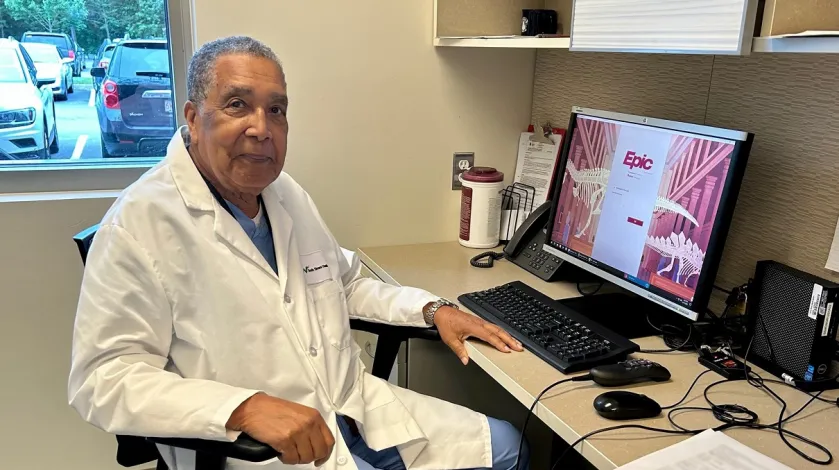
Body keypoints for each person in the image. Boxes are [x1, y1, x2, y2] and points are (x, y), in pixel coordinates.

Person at [68, 35, 530, 470]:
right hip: (263, 451)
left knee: (509, 447)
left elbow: (344, 283)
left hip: (353, 409)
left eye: (277, 110)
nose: (261, 128)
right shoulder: (138, 225)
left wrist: (432, 309)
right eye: (237, 105)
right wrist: (241, 409)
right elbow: (103, 380)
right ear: (192, 116)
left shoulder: (283, 193)